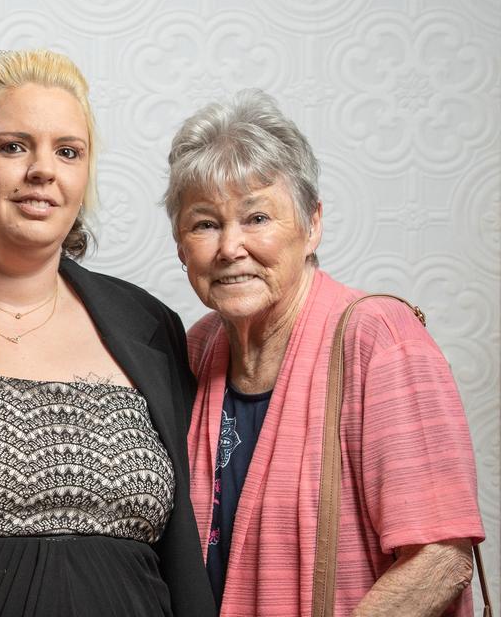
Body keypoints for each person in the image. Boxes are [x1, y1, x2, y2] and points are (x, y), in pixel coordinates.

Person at [0, 50, 215, 617]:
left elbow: (182, 551)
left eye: (68, 152)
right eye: (12, 146)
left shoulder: (149, 326)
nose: (43, 170)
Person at [165, 89, 484, 616]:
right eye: (205, 224)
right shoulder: (196, 349)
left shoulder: (378, 337)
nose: (229, 247)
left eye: (257, 218)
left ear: (312, 225)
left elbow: (441, 558)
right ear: (181, 248)